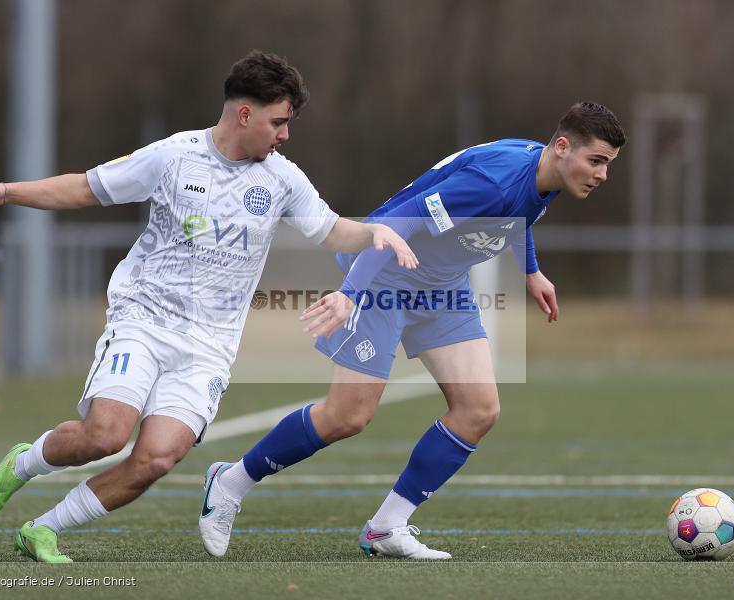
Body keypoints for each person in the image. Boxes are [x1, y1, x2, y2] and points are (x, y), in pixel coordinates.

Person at [0, 50, 417, 563]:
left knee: (156, 458)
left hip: (209, 346)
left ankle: (42, 529)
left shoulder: (283, 179)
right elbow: (86, 188)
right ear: (245, 114)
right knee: (105, 436)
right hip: (144, 319)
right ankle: (24, 464)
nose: (284, 135)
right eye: (278, 122)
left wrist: (374, 230)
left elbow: (331, 230)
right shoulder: (173, 157)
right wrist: (7, 192)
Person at [199, 102, 626, 559]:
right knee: (348, 417)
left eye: (607, 164)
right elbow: (399, 221)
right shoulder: (493, 184)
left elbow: (516, 219)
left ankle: (386, 527)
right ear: (561, 147)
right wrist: (350, 292)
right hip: (385, 273)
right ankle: (229, 482)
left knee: (478, 410)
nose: (601, 174)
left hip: (442, 286)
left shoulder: (543, 171)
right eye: (595, 161)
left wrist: (531, 271)